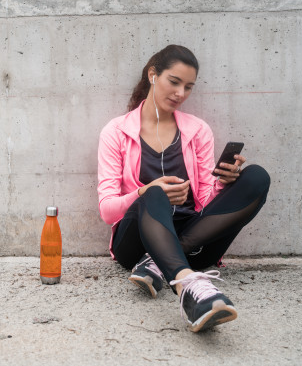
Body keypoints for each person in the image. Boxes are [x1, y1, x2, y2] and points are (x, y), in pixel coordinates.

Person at [97, 45, 270, 332]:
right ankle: (188, 286)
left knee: (256, 177)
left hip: (195, 241)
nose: (181, 94)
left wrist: (223, 182)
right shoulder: (116, 132)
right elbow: (107, 210)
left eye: (188, 87)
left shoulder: (198, 130)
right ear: (153, 75)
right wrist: (146, 190)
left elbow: (203, 200)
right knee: (153, 193)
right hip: (136, 243)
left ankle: (159, 263)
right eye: (174, 82)